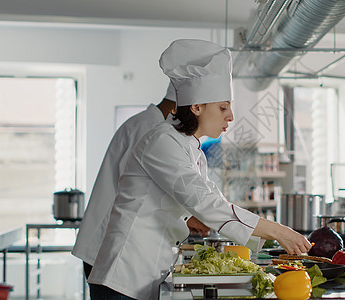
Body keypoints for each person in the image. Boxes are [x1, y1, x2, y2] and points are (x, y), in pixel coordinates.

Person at [87, 39, 312, 300]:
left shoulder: (191, 148)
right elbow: (206, 204)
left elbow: (210, 202)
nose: (230, 116)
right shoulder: (162, 141)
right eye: (223, 107)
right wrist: (279, 232)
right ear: (196, 107)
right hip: (122, 277)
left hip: (145, 274)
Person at [72, 84, 210, 280]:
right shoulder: (148, 128)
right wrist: (190, 217)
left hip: (115, 249)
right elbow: (145, 190)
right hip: (105, 247)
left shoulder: (153, 126)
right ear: (181, 107)